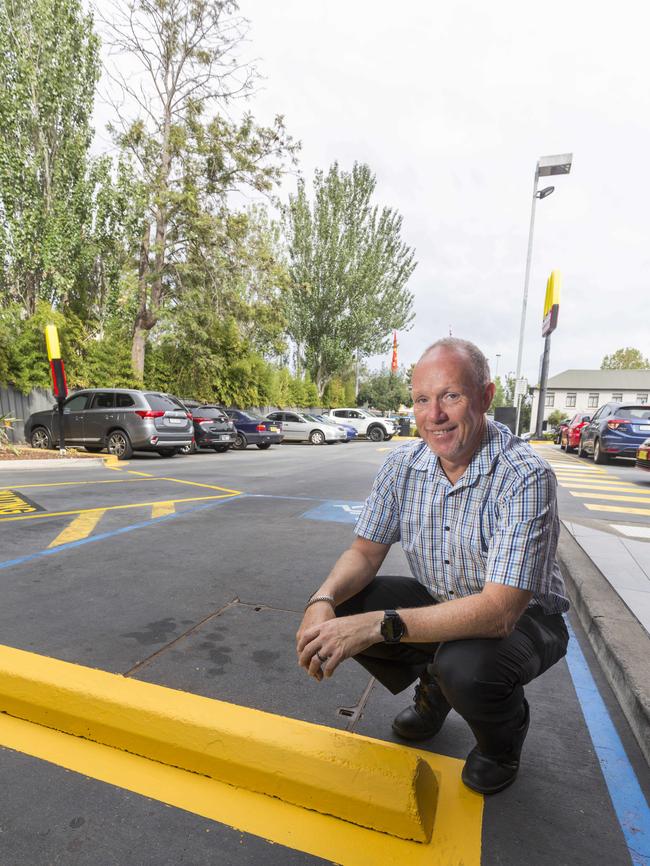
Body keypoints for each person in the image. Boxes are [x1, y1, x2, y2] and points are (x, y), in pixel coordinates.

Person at [296, 337, 569, 794]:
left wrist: (378, 626)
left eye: (451, 396)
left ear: (486, 397)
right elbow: (364, 552)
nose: (434, 415)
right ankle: (435, 684)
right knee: (345, 608)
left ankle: (502, 739)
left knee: (466, 666)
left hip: (525, 619)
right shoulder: (403, 464)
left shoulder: (525, 476)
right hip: (443, 598)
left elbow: (499, 612)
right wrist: (321, 600)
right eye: (422, 399)